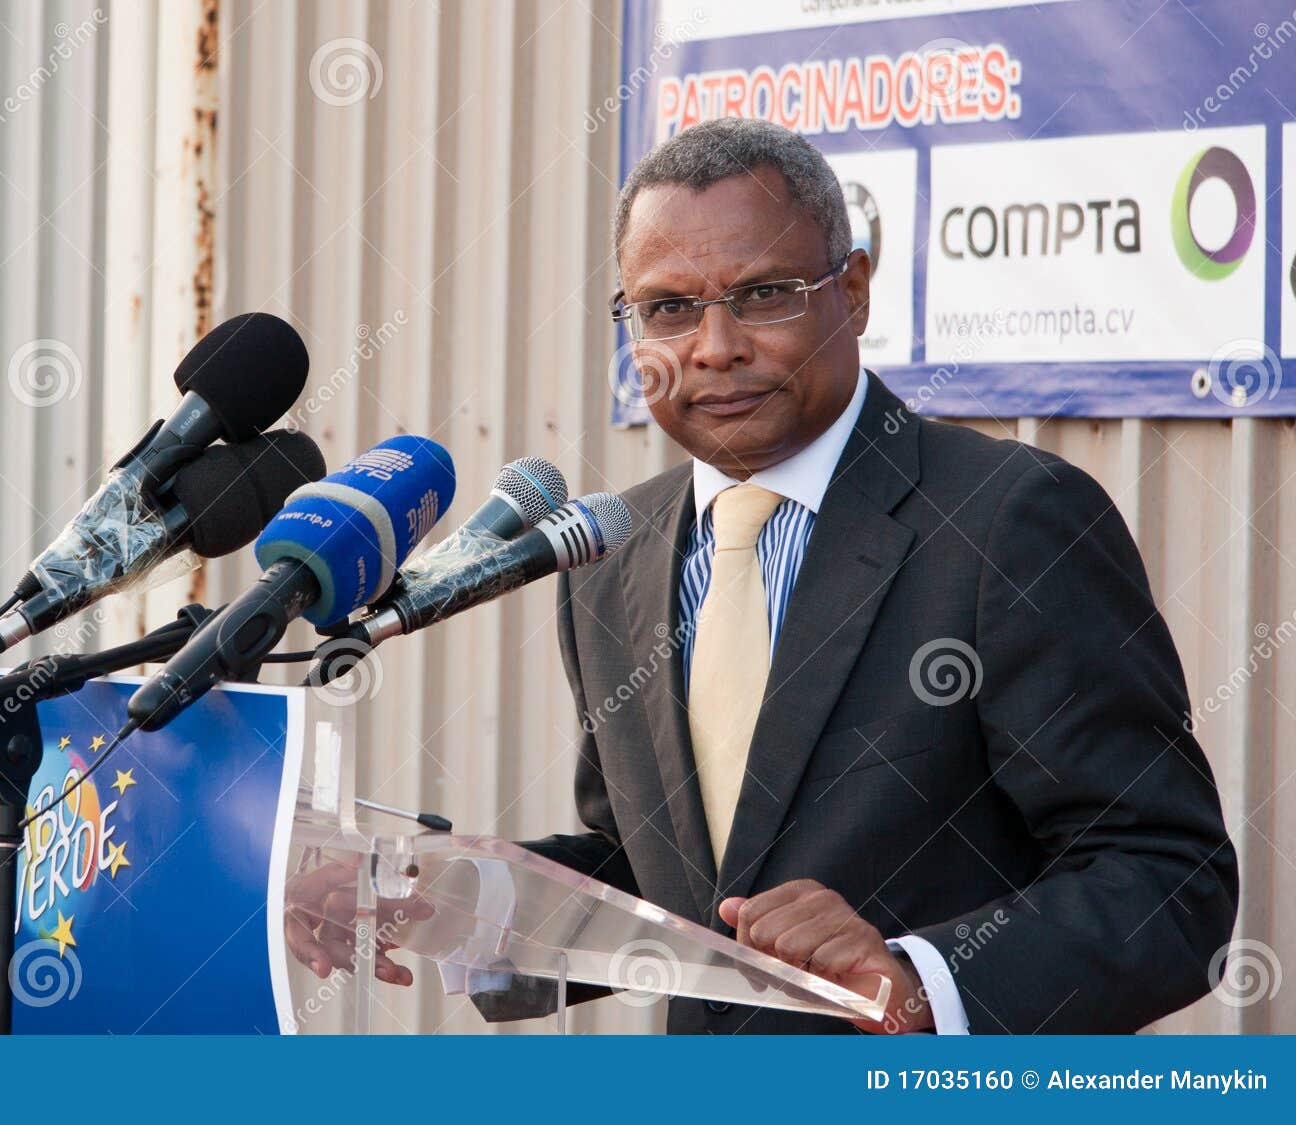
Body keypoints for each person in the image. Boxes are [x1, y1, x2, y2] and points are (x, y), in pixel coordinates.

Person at [505, 117, 1238, 1034]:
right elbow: (663, 875)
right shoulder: (609, 560)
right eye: (668, 308)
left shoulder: (1008, 520)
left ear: (850, 292)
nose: (714, 345)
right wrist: (469, 898)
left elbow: (1169, 878)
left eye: (764, 293)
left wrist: (921, 979)